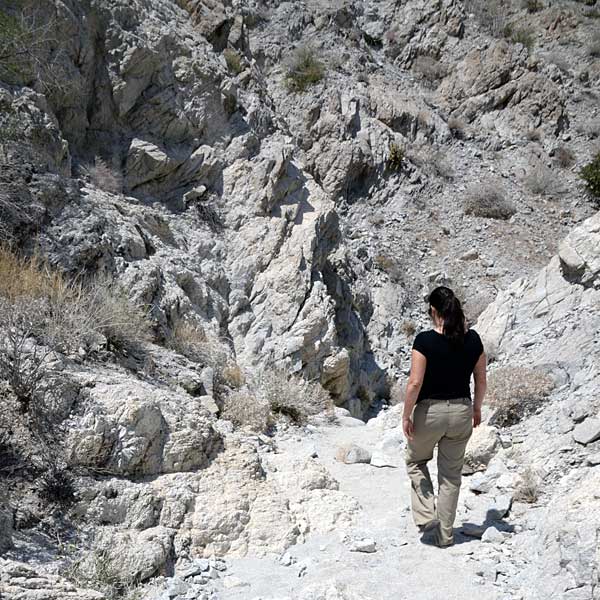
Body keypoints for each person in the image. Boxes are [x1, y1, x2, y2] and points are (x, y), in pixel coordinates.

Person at [402, 286, 487, 547]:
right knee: (450, 476)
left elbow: (415, 383)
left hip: (430, 413)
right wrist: (476, 408)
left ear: (434, 311)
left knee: (416, 461)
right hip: (462, 412)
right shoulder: (473, 339)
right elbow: (481, 380)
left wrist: (407, 415)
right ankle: (445, 536)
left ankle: (427, 513)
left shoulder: (424, 341)